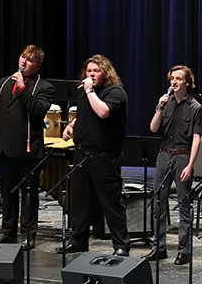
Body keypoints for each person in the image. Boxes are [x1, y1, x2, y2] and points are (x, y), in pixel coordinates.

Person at [0, 45, 54, 250]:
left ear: (37, 66)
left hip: (26, 150)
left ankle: (28, 235)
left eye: (29, 60)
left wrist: (22, 88)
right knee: (7, 192)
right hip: (3, 147)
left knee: (28, 193)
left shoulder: (44, 87)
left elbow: (38, 111)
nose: (23, 62)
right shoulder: (3, 82)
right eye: (23, 57)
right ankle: (7, 231)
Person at [58, 54, 131, 256]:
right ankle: (78, 241)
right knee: (79, 201)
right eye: (88, 71)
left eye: (95, 71)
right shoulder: (85, 95)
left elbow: (103, 112)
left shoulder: (115, 92)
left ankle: (121, 245)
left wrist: (90, 90)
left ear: (105, 72)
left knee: (111, 202)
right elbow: (84, 115)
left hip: (104, 156)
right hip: (82, 153)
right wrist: (72, 126)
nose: (91, 74)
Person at [144, 65, 202, 264]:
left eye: (179, 79)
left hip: (182, 157)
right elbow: (153, 128)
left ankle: (183, 250)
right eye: (172, 79)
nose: (174, 82)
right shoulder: (165, 102)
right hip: (164, 155)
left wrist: (191, 164)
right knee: (158, 203)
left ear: (188, 82)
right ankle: (158, 248)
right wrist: (159, 108)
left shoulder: (195, 107)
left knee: (183, 205)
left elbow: (196, 138)